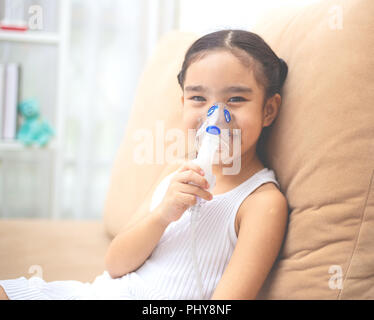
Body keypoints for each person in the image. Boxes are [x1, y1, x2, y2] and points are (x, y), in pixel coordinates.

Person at [0, 29, 289, 300]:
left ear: (268, 109)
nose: (215, 116)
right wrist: (163, 214)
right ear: (183, 102)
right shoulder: (176, 170)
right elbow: (115, 264)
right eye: (198, 98)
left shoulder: (261, 203)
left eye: (236, 99)